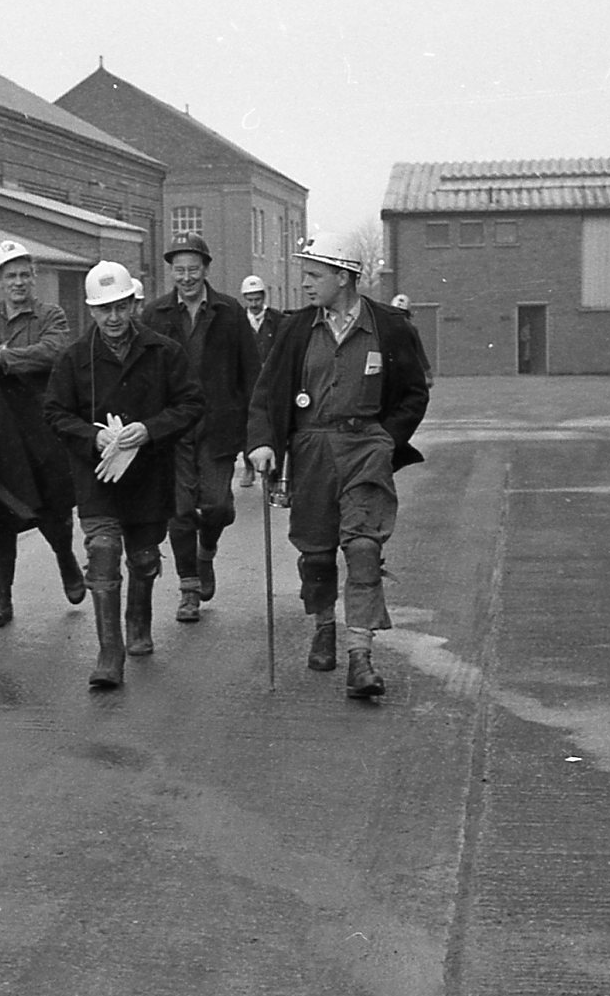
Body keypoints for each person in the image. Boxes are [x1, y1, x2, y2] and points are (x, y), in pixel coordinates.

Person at [246, 234, 430, 699]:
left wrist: (386, 440)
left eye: (314, 275)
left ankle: (360, 656)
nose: (305, 283)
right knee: (316, 552)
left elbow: (413, 394)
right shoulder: (295, 329)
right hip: (311, 449)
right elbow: (267, 394)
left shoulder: (389, 327)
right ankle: (323, 625)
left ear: (344, 277)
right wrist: (263, 443)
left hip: (366, 449)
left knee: (364, 547)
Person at [43, 261, 203, 689]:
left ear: (133, 304)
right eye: (103, 309)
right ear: (91, 310)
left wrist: (151, 429)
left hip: (149, 474)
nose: (113, 318)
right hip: (96, 476)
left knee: (144, 557)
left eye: (120, 307)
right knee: (103, 550)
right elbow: (54, 412)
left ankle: (138, 617)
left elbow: (191, 403)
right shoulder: (74, 358)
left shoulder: (163, 352)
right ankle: (109, 653)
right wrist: (91, 436)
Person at [0, 239, 85, 628]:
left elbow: (55, 352)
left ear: (34, 278)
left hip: (42, 432)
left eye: (24, 274)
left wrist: (3, 358)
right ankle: (2, 595)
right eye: (10, 276)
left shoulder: (50, 315)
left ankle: (66, 560)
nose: (18, 282)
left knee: (52, 507)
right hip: (1, 437)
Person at [141, 235, 261, 624]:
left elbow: (252, 373)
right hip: (173, 429)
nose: (187, 277)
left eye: (193, 269)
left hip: (218, 426)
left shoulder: (229, 312)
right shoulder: (155, 314)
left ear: (206, 269)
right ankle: (189, 589)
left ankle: (205, 552)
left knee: (217, 506)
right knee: (179, 512)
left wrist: (256, 432)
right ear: (171, 272)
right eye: (179, 270)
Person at [239, 274, 285, 485]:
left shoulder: (277, 320)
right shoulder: (239, 321)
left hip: (272, 380)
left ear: (263, 297)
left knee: (273, 422)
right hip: (247, 381)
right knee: (247, 423)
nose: (254, 304)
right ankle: (249, 466)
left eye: (257, 299)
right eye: (250, 300)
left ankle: (273, 470)